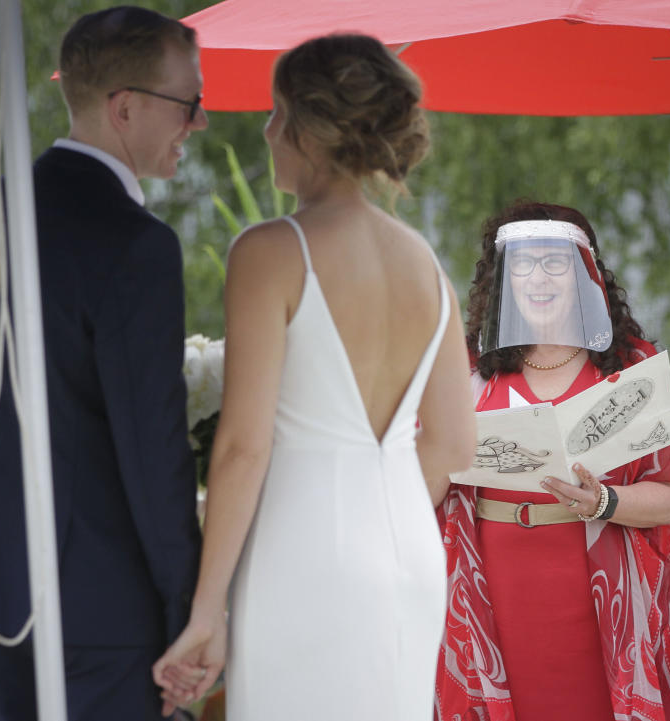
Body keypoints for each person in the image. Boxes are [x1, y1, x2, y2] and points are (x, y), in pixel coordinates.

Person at [151, 33, 477, 721]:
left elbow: (243, 446)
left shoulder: (270, 252)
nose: (267, 130)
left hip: (302, 556)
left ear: (311, 126)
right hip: (410, 555)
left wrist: (207, 608)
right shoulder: (426, 261)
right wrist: (371, 514)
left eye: (276, 113)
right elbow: (453, 444)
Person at [0, 7, 206, 720]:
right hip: (109, 614)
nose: (199, 123)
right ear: (125, 107)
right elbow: (152, 446)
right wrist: (188, 608)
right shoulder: (138, 245)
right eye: (190, 103)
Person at [435, 201, 670, 721]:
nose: (538, 277)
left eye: (554, 263)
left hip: (595, 603)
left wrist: (604, 500)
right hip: (493, 595)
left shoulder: (631, 369)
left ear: (585, 272)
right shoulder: (469, 372)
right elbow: (426, 494)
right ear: (503, 277)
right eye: (523, 264)